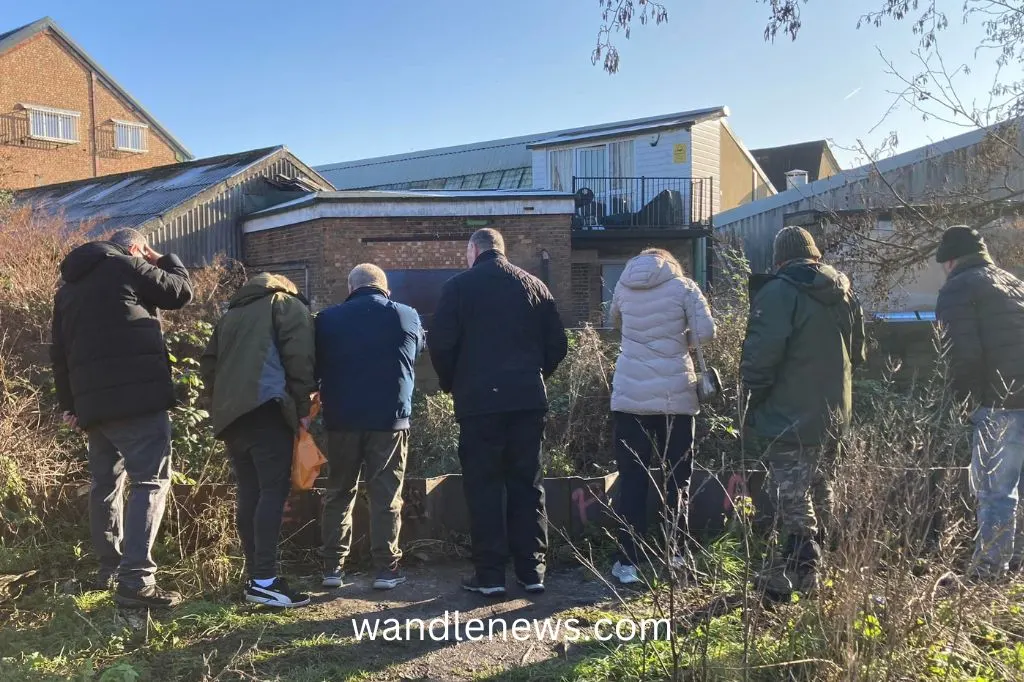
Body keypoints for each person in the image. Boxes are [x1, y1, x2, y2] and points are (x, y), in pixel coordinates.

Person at [51, 228, 193, 608]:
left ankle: (110, 569)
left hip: (93, 408)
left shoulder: (67, 290)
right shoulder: (126, 265)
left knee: (105, 484)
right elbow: (180, 292)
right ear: (136, 248)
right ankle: (136, 581)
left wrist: (71, 406)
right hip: (137, 401)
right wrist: (161, 259)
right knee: (150, 481)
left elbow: (59, 354)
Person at [429, 229, 568, 597]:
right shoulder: (535, 286)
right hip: (526, 399)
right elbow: (558, 344)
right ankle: (532, 570)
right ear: (502, 250)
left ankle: (490, 575)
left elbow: (440, 343)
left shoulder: (458, 288)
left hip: (479, 404)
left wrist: (453, 383)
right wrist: (536, 375)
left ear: (473, 250)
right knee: (528, 484)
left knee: (484, 486)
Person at [740, 226, 865, 599]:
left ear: (779, 259)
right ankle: (820, 570)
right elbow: (858, 353)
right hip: (834, 413)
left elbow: (761, 357)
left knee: (792, 497)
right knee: (821, 488)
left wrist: (752, 399)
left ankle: (800, 576)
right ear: (815, 255)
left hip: (788, 413)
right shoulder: (844, 292)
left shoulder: (779, 292)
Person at [200, 273, 315, 608]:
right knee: (272, 492)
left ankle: (256, 578)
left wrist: (224, 401)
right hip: (267, 409)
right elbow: (300, 358)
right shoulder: (285, 304)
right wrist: (304, 407)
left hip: (232, 417)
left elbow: (209, 367)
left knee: (250, 492)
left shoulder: (231, 315)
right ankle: (265, 581)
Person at [607, 248, 716, 586]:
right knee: (677, 480)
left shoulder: (623, 286)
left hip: (630, 399)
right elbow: (706, 332)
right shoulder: (684, 287)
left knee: (632, 479)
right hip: (676, 399)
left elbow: (614, 324)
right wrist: (677, 341)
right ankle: (676, 555)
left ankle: (628, 561)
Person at [316, 264, 425, 591]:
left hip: (341, 420)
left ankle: (333, 569)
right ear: (385, 288)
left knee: (338, 492)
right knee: (386, 495)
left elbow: (315, 365)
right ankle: (386, 570)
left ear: (351, 288)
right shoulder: (406, 315)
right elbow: (416, 352)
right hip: (389, 420)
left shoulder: (327, 319)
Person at [934, 225, 1024, 581]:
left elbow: (960, 354)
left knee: (994, 492)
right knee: (1017, 489)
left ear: (951, 261)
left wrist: (966, 403)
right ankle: (1014, 566)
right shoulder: (1014, 284)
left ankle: (988, 576)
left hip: (997, 400)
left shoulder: (958, 289)